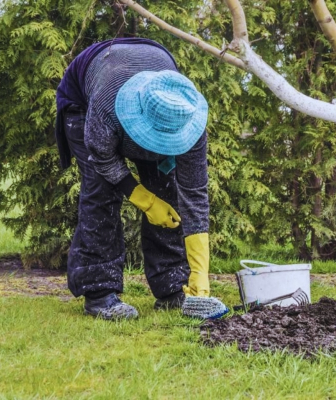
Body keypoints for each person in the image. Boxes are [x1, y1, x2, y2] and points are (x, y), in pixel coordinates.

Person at [55, 37, 228, 321]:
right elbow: (103, 158)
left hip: (142, 80)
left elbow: (194, 193)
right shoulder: (107, 103)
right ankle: (100, 294)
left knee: (167, 190)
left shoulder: (186, 113)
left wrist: (200, 271)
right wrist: (145, 201)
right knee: (101, 192)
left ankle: (174, 287)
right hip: (85, 100)